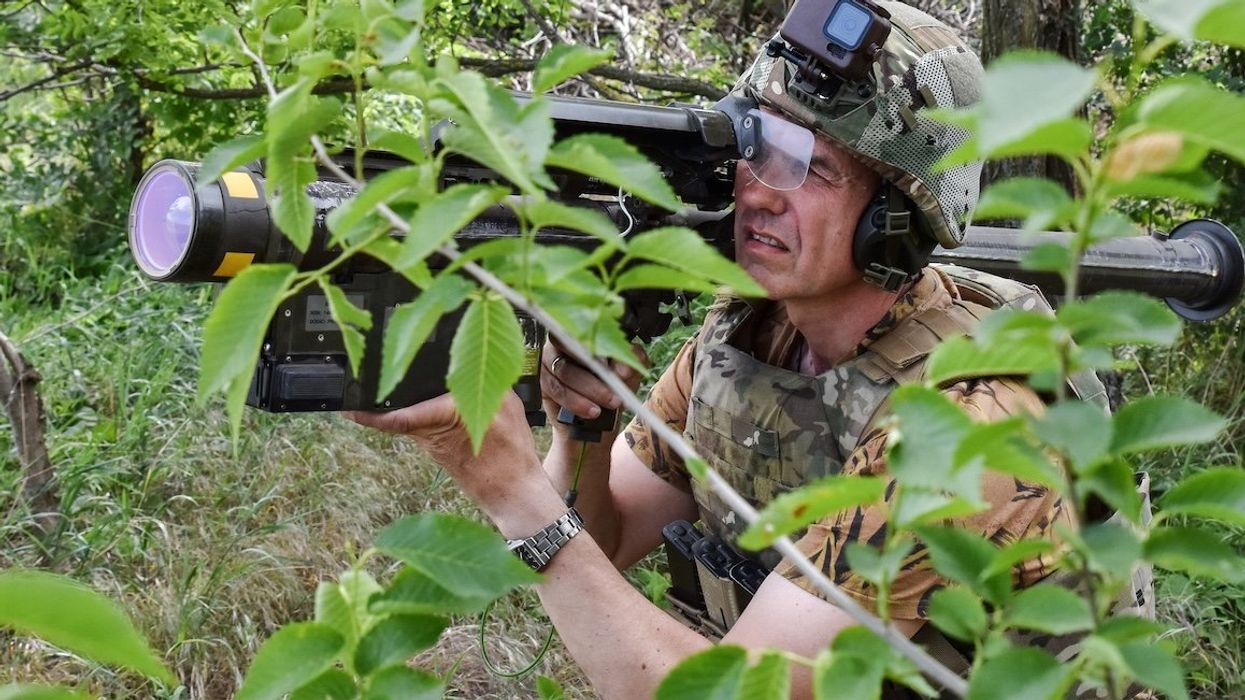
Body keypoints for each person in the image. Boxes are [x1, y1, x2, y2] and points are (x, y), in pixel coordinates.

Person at [350, 3, 1091, 697]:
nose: (758, 191)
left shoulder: (968, 427)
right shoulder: (752, 330)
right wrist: (582, 431)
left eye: (805, 165)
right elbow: (602, 544)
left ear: (893, 218)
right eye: (756, 147)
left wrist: (505, 484)